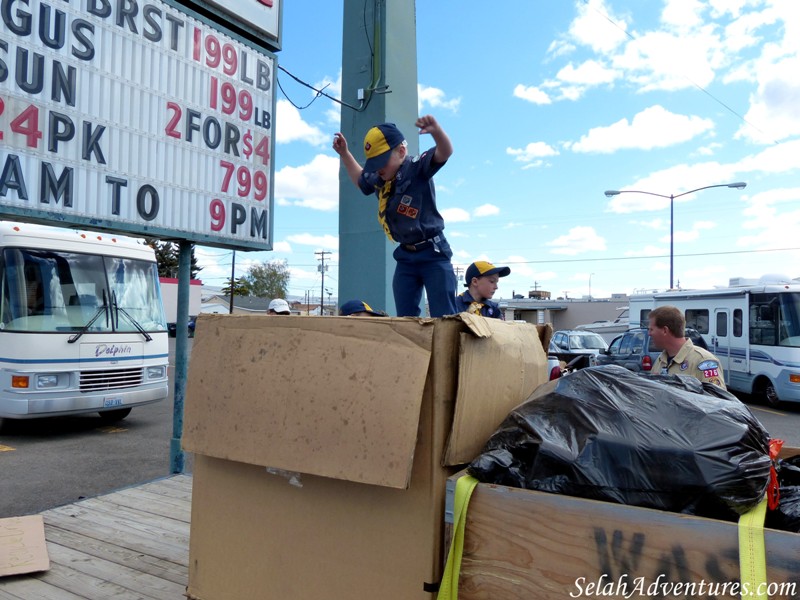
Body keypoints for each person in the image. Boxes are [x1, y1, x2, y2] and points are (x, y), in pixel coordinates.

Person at [333, 116, 458, 318]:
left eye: (382, 161)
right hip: (406, 257)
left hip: (432, 252)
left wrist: (436, 131)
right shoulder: (380, 178)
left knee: (445, 316)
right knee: (405, 317)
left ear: (401, 152)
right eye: (374, 164)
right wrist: (345, 154)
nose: (378, 169)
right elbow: (360, 180)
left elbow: (444, 152)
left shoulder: (417, 168)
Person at [648, 305, 726, 389]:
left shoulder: (703, 361)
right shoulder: (661, 360)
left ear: (665, 330)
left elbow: (716, 400)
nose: (649, 333)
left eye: (651, 329)